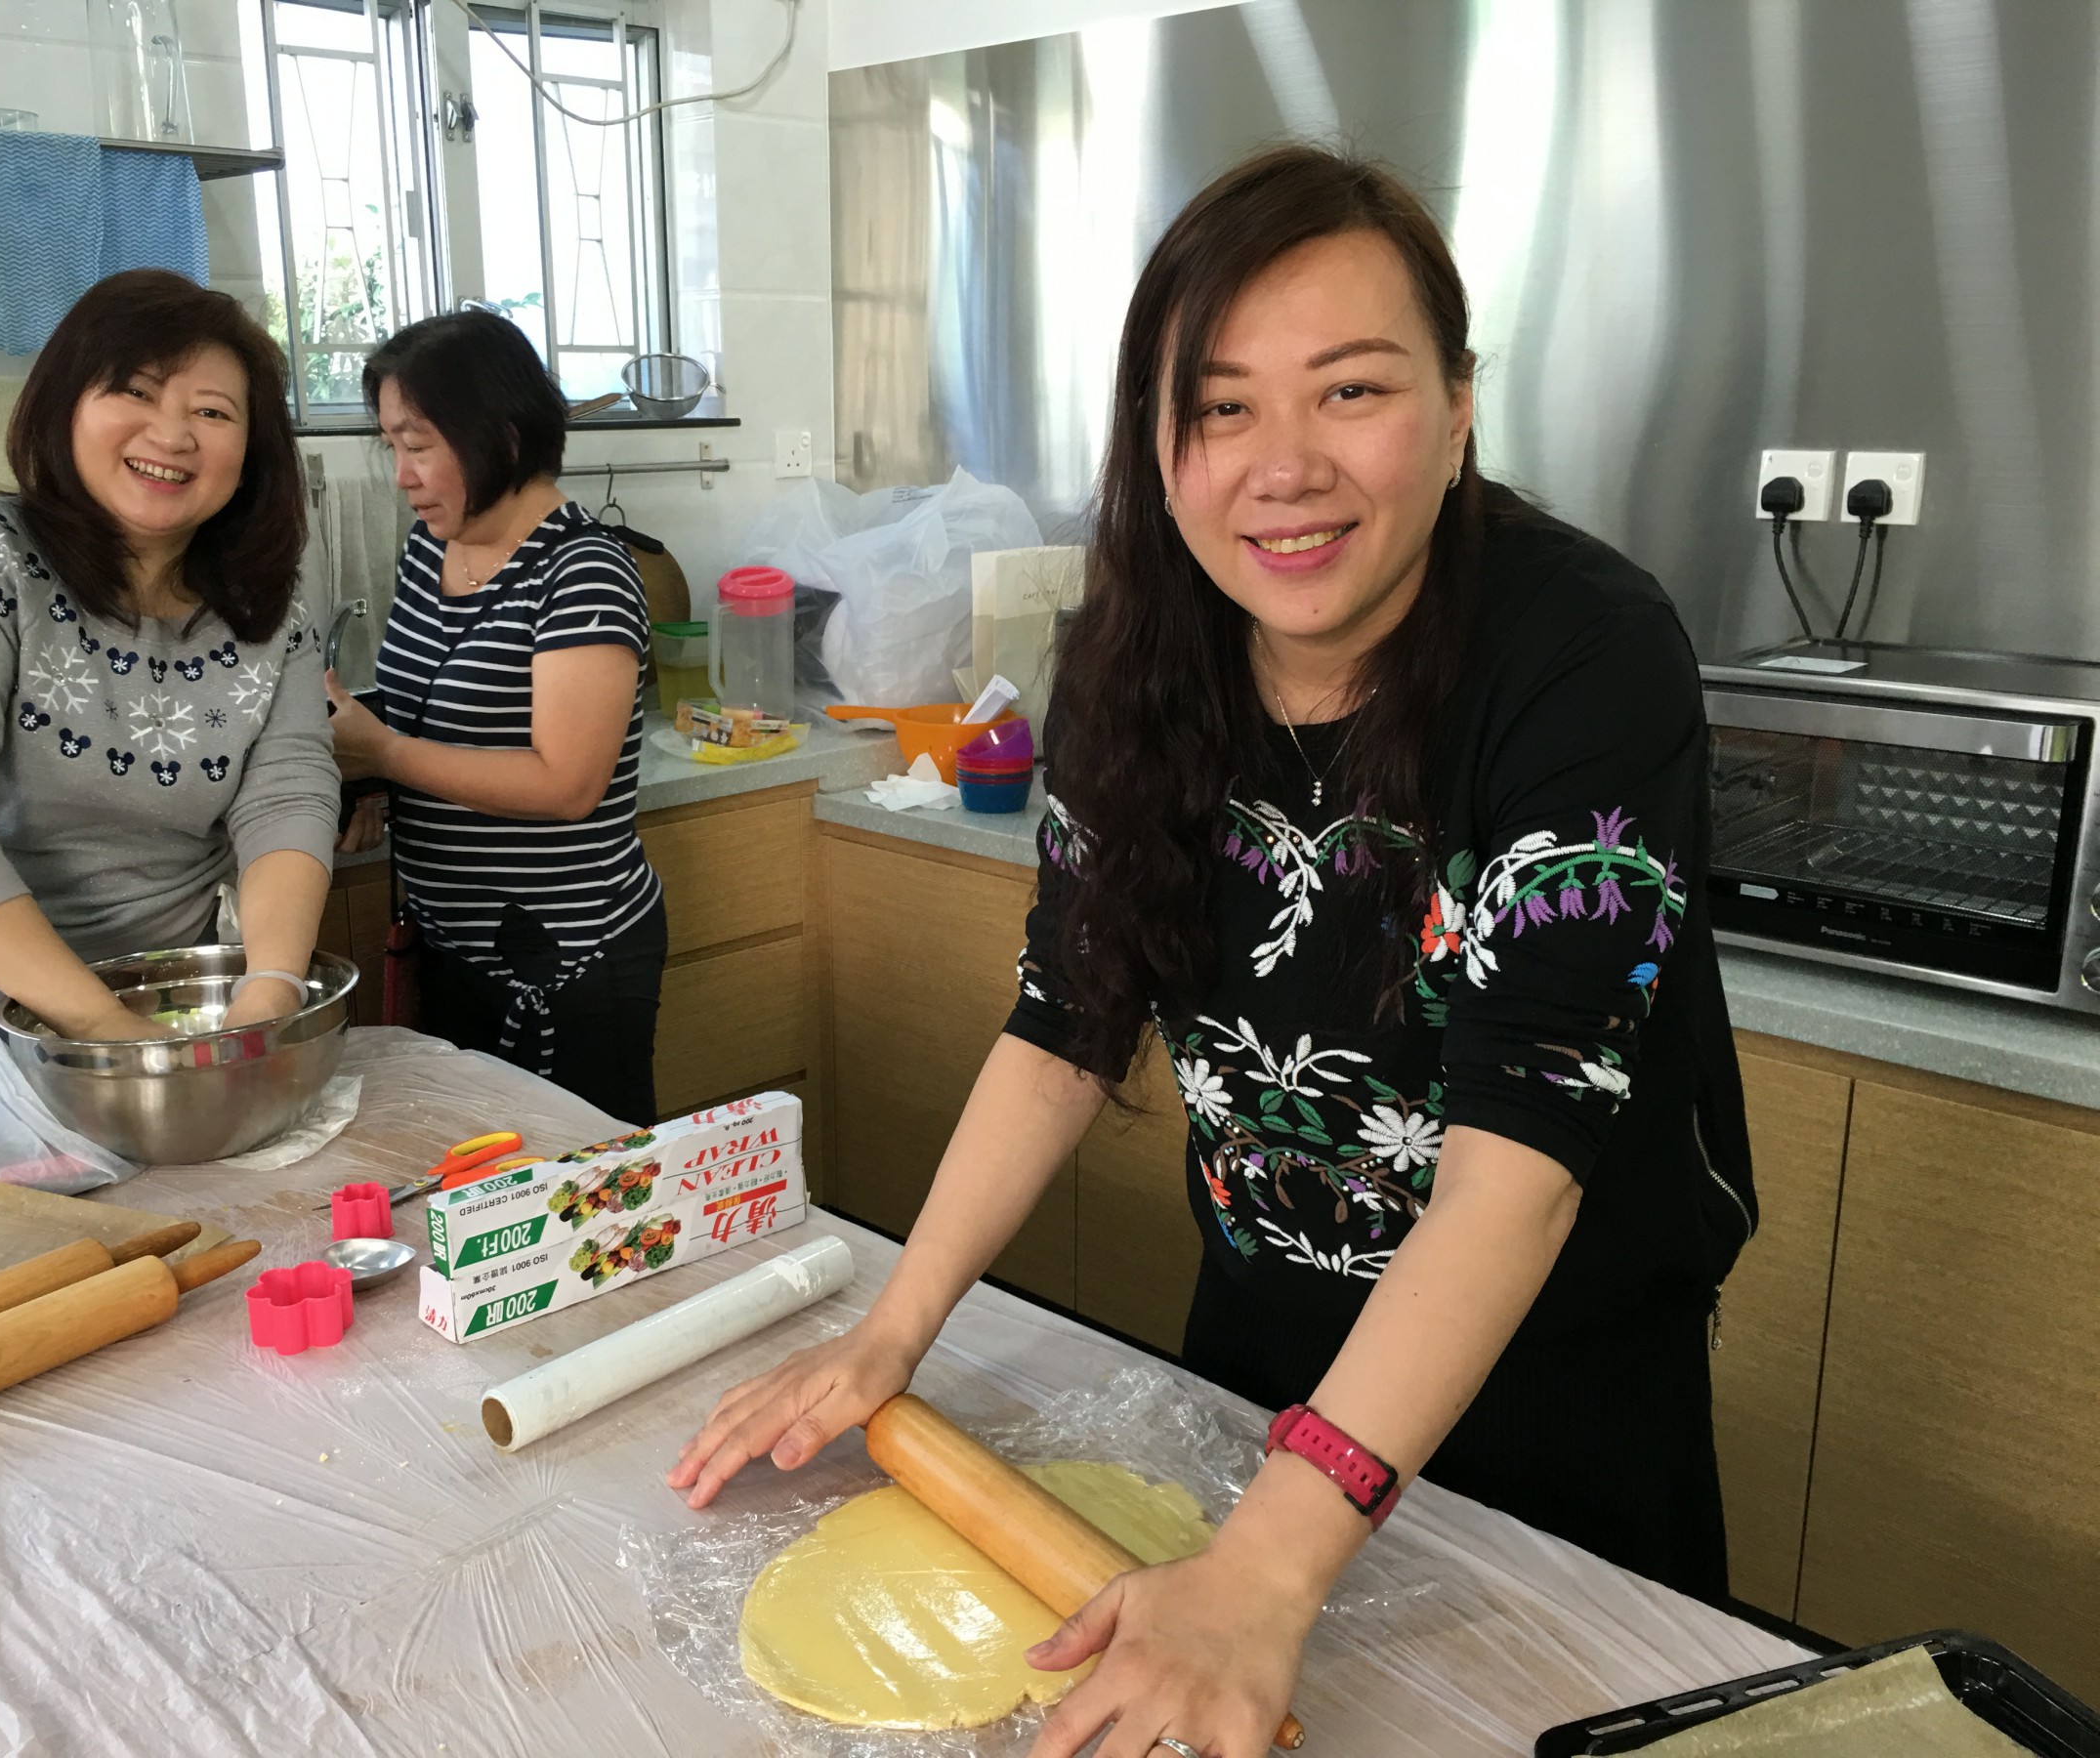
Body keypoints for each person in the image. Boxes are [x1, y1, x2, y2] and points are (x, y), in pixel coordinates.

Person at [670, 146, 1756, 1758]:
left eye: (1351, 391)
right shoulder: (1136, 650)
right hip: (1260, 1366)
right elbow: (1067, 1016)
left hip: (1553, 1395)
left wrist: (1268, 1570)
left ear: (1459, 406)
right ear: (1158, 445)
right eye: (1221, 406)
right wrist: (895, 1327)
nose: (1285, 467)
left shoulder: (1581, 654)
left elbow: (1516, 1170)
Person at [0, 270, 337, 1130]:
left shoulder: (267, 604)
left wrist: (269, 992)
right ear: (65, 405)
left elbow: (289, 794)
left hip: (173, 1000)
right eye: (136, 392)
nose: (172, 435)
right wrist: (107, 1033)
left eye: (213, 411)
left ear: (252, 448)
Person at [325, 312, 666, 1125]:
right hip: (453, 945)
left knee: (580, 1181)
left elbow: (566, 784)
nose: (402, 475)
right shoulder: (428, 550)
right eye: (390, 446)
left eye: (418, 445)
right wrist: (368, 780)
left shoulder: (584, 572)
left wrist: (386, 754)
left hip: (566, 963)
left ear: (503, 437)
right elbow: (434, 710)